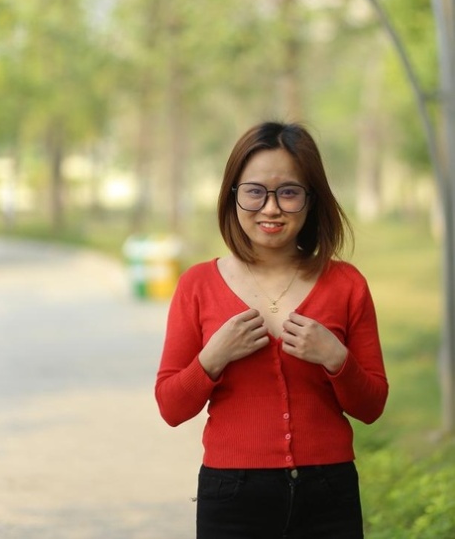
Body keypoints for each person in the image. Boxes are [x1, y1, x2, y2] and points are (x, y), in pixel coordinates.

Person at [155, 121, 388, 539]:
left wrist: (336, 358)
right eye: (255, 191)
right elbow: (171, 407)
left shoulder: (347, 284)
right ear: (233, 196)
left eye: (289, 192)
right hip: (231, 496)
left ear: (311, 199)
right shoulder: (197, 285)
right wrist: (214, 357)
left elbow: (371, 407)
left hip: (329, 492)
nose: (271, 208)